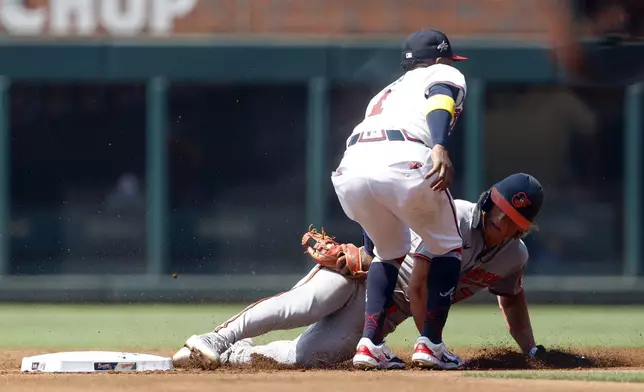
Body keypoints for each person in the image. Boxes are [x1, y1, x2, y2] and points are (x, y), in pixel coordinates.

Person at [174, 173, 546, 370]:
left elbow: (512, 300)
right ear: (487, 201)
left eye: (511, 219)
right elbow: (418, 286)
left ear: (523, 227)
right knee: (308, 303)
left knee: (312, 357)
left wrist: (530, 349)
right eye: (498, 209)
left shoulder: (513, 257)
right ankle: (215, 338)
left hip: (384, 315)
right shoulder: (453, 218)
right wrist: (430, 343)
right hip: (364, 276)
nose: (500, 220)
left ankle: (237, 355)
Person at [330, 28, 468, 369]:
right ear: (438, 58)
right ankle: (431, 344)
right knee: (448, 246)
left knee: (388, 251)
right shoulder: (443, 72)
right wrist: (439, 144)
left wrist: (370, 241)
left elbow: (375, 173)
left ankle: (370, 344)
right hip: (405, 157)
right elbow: (440, 98)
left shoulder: (385, 93)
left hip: (351, 168)